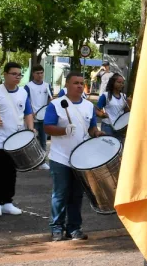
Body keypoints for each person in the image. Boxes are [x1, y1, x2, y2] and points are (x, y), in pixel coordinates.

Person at [43, 72, 103, 242]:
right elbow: (47, 128)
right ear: (67, 85)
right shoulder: (55, 105)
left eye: (81, 83)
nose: (78, 86)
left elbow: (91, 128)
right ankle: (56, 228)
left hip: (80, 159)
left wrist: (97, 133)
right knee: (60, 193)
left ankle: (74, 228)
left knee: (77, 195)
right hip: (60, 157)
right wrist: (63, 130)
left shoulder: (89, 106)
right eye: (75, 83)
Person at [0, 62, 35, 217]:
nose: (17, 77)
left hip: (17, 140)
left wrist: (30, 127)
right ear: (5, 74)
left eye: (19, 74)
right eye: (14, 74)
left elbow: (28, 112)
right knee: (0, 172)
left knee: (12, 172)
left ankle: (8, 202)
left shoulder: (23, 92)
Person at [25, 65, 54, 171]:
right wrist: (31, 112)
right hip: (32, 118)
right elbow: (26, 101)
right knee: (32, 142)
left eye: (41, 73)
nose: (40, 75)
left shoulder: (47, 85)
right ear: (33, 74)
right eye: (37, 73)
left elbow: (49, 100)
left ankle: (42, 162)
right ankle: (32, 162)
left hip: (44, 118)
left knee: (43, 140)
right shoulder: (28, 86)